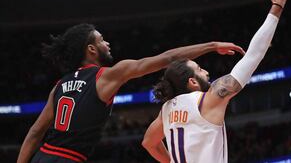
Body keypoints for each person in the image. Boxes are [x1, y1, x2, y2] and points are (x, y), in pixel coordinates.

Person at [17, 23, 244, 163]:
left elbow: (36, 132)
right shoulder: (105, 76)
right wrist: (212, 45)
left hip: (42, 157)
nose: (107, 43)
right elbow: (166, 59)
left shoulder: (59, 86)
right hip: (68, 158)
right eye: (102, 40)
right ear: (91, 49)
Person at [142, 0, 291, 163]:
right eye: (199, 69)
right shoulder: (209, 99)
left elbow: (149, 143)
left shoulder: (166, 111)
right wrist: (277, 6)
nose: (206, 72)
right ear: (192, 81)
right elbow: (253, 55)